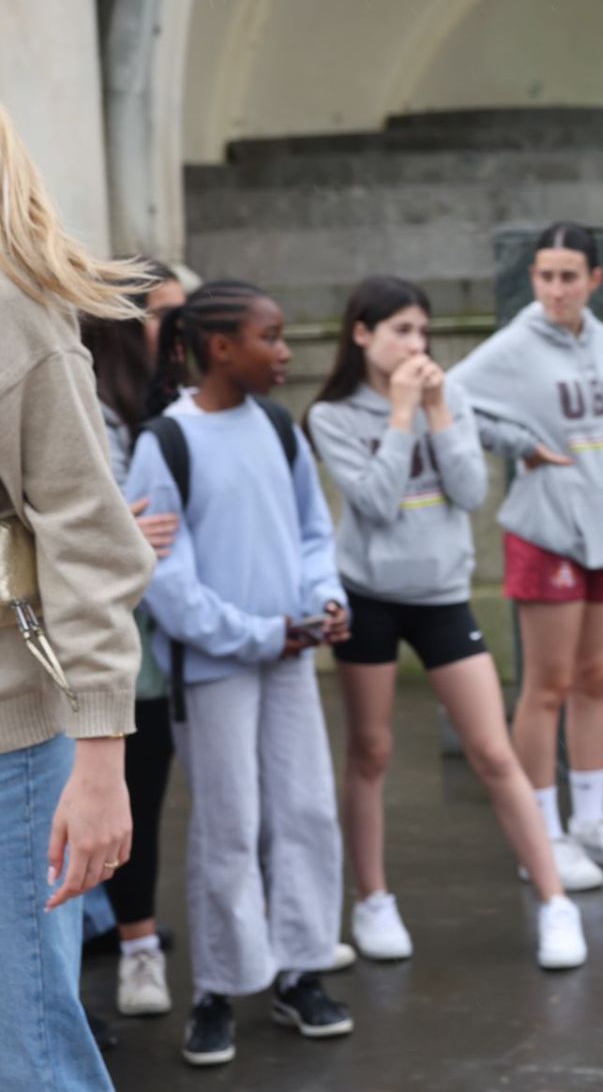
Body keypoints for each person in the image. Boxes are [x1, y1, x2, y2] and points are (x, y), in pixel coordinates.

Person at [306, 275, 587, 970]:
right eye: (401, 329)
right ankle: (373, 898)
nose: (416, 344)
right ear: (362, 333)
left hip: (440, 592)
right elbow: (373, 504)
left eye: (422, 331)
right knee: (370, 750)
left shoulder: (448, 395)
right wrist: (400, 417)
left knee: (493, 751)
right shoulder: (333, 413)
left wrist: (435, 410)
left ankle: (555, 900)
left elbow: (467, 490)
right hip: (369, 593)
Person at [121, 279, 355, 1068]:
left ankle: (299, 970)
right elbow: (168, 578)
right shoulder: (167, 442)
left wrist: (323, 599)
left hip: (288, 659)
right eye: (273, 336)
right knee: (231, 824)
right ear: (221, 348)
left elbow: (314, 532)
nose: (286, 351)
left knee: (307, 812)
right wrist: (261, 633)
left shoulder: (282, 429)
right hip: (217, 670)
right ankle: (219, 987)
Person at [0, 101, 152, 1092]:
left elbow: (91, 545)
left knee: (32, 1049)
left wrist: (101, 760)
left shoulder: (15, 310)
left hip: (13, 740)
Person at [449, 223, 603, 892]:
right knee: (549, 685)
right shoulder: (513, 344)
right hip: (547, 530)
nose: (557, 289)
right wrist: (520, 442)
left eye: (570, 276)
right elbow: (448, 396)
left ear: (594, 279)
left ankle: (592, 818)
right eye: (546, 275)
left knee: (595, 677)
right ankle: (543, 830)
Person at [80, 256, 189, 1018]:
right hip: (105, 641)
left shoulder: (165, 402)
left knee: (138, 803)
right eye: (162, 313)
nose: (177, 330)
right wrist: (127, 530)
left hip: (158, 633)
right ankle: (130, 948)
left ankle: (125, 931)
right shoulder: (87, 394)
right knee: (111, 799)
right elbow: (98, 521)